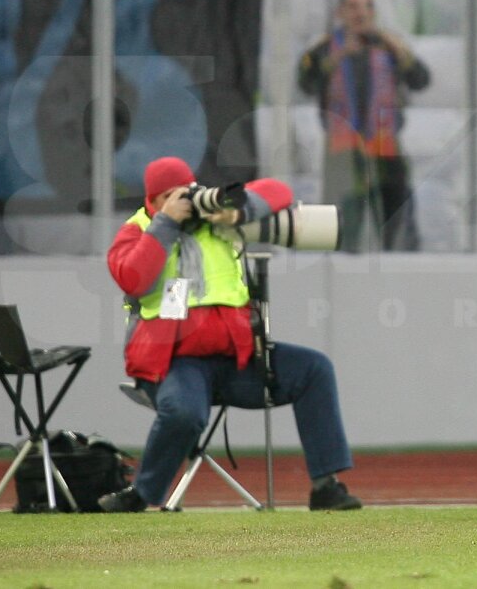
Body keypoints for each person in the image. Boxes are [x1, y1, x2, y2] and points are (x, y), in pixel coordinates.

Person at [98, 157, 361, 512]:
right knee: (183, 412)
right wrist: (165, 225)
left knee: (314, 369)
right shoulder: (137, 229)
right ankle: (141, 495)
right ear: (155, 201)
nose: (186, 202)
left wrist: (237, 211)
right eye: (173, 197)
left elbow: (279, 191)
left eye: (188, 193)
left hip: (237, 358)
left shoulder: (216, 220)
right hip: (174, 361)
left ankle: (326, 487)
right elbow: (133, 278)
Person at [297, 0, 429, 253]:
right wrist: (336, 58)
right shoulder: (324, 48)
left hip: (385, 146)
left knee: (397, 217)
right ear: (340, 12)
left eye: (367, 6)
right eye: (354, 6)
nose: (361, 13)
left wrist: (399, 51)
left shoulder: (389, 46)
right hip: (343, 150)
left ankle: (401, 272)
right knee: (343, 222)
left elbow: (421, 80)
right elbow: (305, 84)